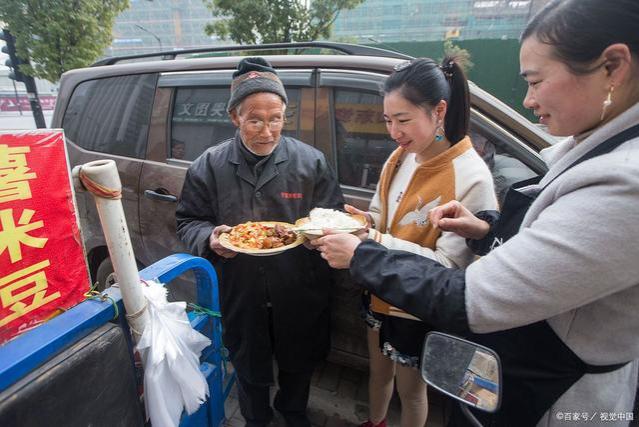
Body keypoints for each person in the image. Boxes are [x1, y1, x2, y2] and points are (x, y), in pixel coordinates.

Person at [312, 1, 639, 425]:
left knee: (414, 391)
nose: (528, 99)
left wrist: (362, 251)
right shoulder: (591, 152)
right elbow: (542, 258)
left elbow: (472, 295)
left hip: (559, 397)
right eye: (387, 120)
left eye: (536, 81)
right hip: (491, 354)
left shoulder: (622, 183)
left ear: (613, 66)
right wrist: (484, 232)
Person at [176, 57, 344, 427]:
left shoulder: (310, 162)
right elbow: (188, 221)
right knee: (249, 366)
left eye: (276, 119)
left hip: (299, 287)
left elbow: (332, 218)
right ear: (235, 117)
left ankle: (294, 413)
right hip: (242, 289)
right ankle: (255, 419)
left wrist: (323, 236)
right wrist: (211, 237)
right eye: (255, 120)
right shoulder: (209, 165)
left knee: (298, 364)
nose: (267, 131)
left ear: (285, 115)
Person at [337, 56, 497, 427]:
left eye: (403, 120)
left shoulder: (471, 177)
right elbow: (381, 215)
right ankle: (374, 422)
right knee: (378, 373)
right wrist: (363, 221)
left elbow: (449, 269)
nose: (394, 131)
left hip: (419, 306)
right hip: (380, 289)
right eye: (388, 120)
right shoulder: (402, 155)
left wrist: (370, 240)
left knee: (412, 391)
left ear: (439, 111)